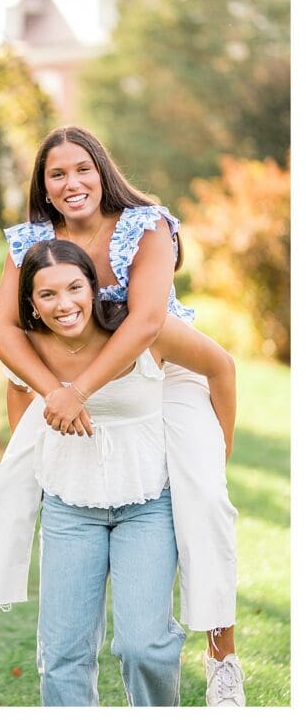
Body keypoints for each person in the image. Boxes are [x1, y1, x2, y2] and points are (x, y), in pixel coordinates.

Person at [0, 126, 244, 706]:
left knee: (206, 496)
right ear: (43, 185)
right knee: (10, 476)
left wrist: (78, 391)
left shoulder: (147, 224)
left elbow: (143, 323)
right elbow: (4, 333)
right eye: (56, 174)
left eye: (82, 169)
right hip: (70, 374)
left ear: (102, 170)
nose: (72, 183)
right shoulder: (34, 241)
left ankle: (222, 651)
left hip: (164, 372)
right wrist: (54, 394)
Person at [16, 239, 235, 705]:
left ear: (95, 288)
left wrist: (221, 450)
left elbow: (221, 367)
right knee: (63, 655)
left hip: (146, 505)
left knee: (145, 648)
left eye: (75, 287)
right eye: (47, 294)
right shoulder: (32, 347)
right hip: (69, 509)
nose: (65, 304)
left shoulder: (146, 332)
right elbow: (17, 391)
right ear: (31, 305)